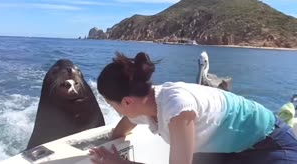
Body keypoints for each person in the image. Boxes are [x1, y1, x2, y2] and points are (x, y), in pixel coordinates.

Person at [89, 51, 297, 164]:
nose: (116, 111)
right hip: (232, 152)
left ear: (127, 102)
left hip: (271, 146)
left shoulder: (177, 108)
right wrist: (108, 144)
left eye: (112, 105)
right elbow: (124, 127)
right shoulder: (145, 104)